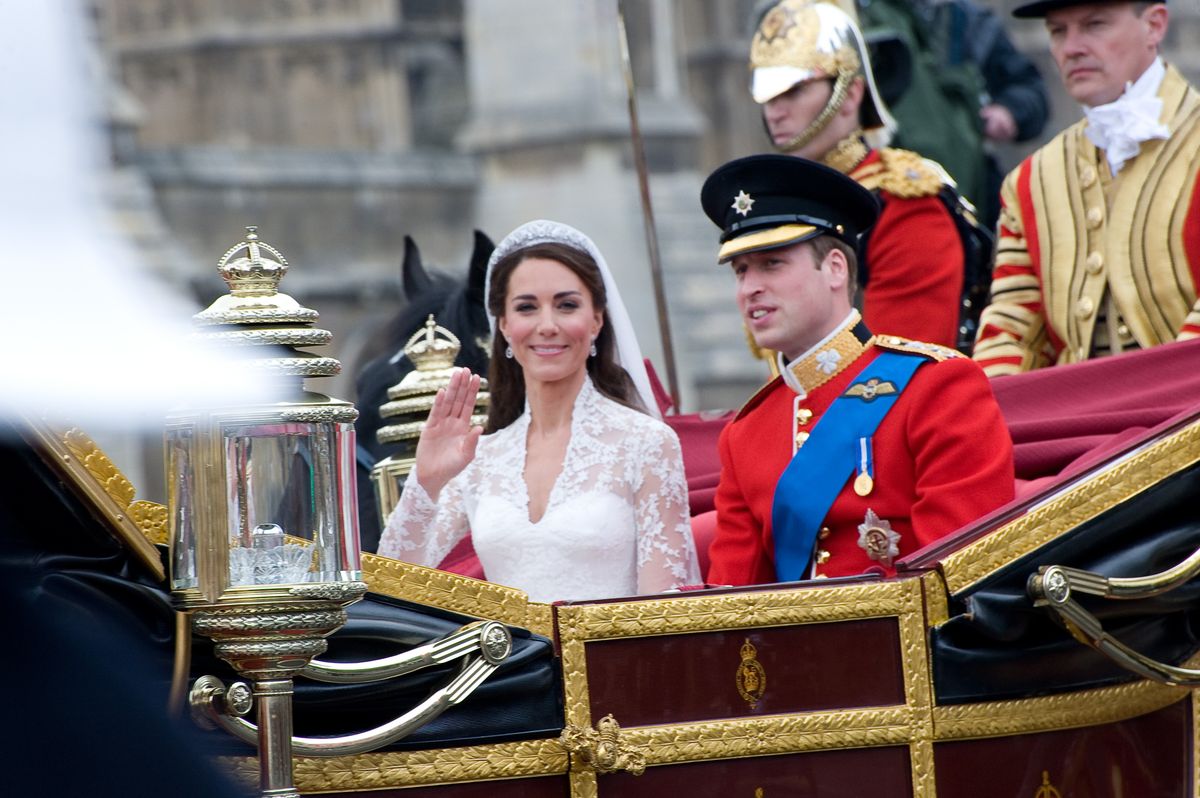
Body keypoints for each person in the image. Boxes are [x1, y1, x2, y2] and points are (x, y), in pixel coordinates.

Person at [701, 154, 1014, 585]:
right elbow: (731, 604)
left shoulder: (938, 386)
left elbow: (962, 577)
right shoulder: (744, 434)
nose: (750, 287)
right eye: (740, 271)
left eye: (772, 264)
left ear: (834, 268)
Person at [377, 220, 701, 602]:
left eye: (566, 305)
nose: (547, 325)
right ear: (505, 326)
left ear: (596, 320)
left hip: (611, 660)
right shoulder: (479, 457)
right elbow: (394, 585)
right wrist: (426, 481)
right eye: (527, 307)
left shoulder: (647, 443)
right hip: (505, 662)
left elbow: (663, 613)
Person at [973, 0, 1200, 376]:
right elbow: (1011, 332)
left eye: (1095, 25)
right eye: (1058, 31)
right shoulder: (1032, 179)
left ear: (1155, 25)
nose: (1072, 47)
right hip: (1077, 424)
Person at [749, 0, 988, 351]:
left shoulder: (904, 203)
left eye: (793, 91)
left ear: (851, 94)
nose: (775, 111)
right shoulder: (783, 204)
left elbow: (899, 369)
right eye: (768, 96)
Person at [854, 0, 1050, 229]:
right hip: (884, 189)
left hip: (971, 190)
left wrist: (1009, 111)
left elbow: (1031, 91)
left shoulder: (969, 20)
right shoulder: (860, 15)